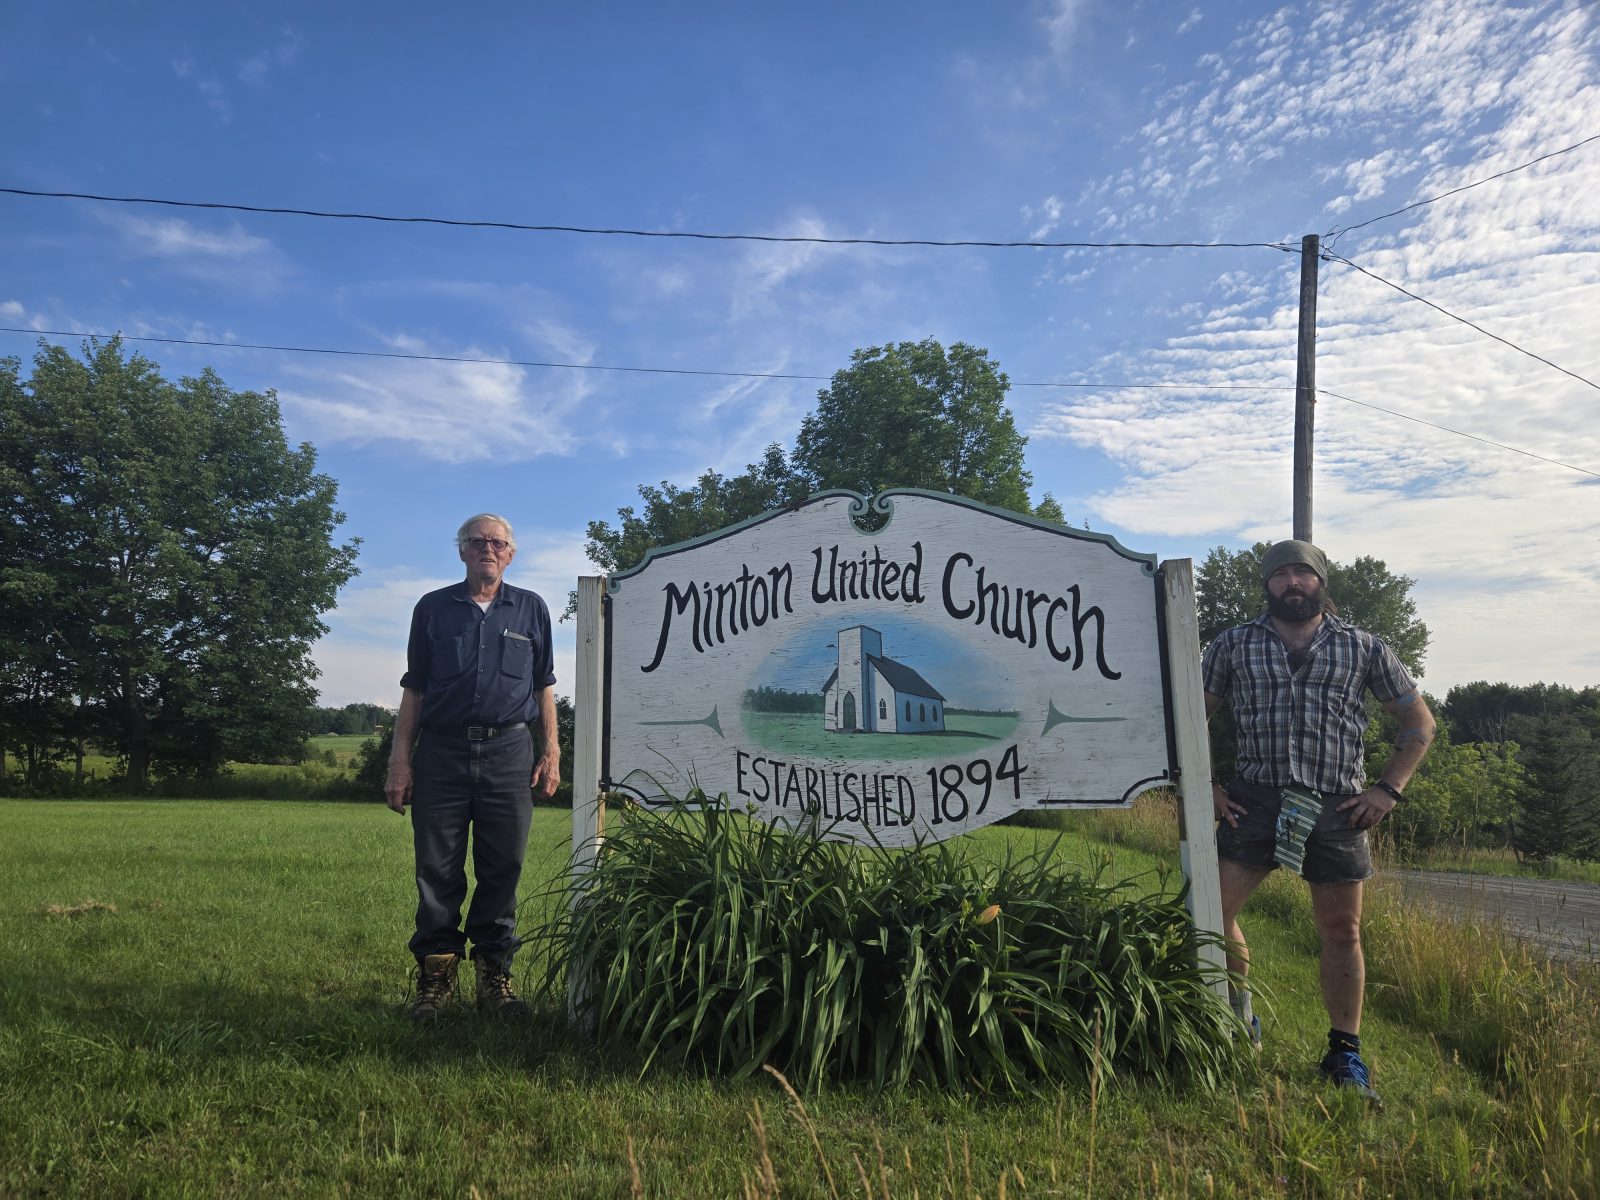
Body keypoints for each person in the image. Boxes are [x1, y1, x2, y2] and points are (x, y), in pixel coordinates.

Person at [1201, 539, 1434, 1103]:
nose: (1291, 583)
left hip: (1338, 805)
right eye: (1280, 575)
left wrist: (1387, 790)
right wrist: (1206, 785)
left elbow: (1418, 723)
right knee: (1210, 913)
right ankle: (1239, 1019)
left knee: (1341, 930)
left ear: (1321, 582)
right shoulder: (1232, 644)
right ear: (1267, 585)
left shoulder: (1365, 647)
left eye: (1302, 574)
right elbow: (1189, 714)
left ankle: (1343, 1053)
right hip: (1252, 799)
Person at [385, 513, 561, 1021]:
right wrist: (400, 761)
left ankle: (495, 978)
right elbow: (414, 688)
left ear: (511, 553)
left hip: (510, 752)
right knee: (436, 868)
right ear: (461, 551)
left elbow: (543, 686)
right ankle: (435, 981)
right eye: (478, 541)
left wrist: (551, 751)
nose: (488, 548)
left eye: (498, 542)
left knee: (503, 867)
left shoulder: (531, 609)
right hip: (441, 752)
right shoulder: (433, 609)